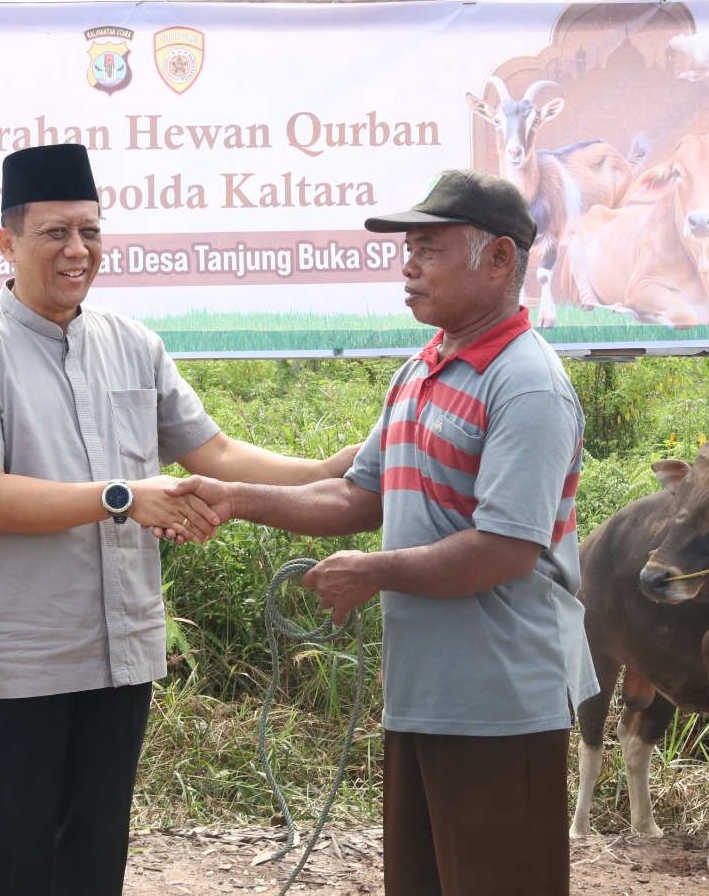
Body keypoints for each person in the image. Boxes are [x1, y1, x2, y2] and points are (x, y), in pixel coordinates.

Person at [0, 142, 357, 896]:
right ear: (6, 242)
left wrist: (321, 469)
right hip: (21, 657)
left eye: (90, 231)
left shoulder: (133, 344)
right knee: (8, 861)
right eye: (55, 232)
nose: (77, 249)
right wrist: (123, 496)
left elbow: (213, 450)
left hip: (121, 651)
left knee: (93, 860)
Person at [168, 169, 597, 896]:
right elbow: (358, 494)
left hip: (500, 705)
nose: (408, 267)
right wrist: (234, 498)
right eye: (408, 250)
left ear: (499, 259)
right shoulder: (421, 371)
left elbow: (506, 549)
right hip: (422, 697)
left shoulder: (526, 383)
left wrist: (373, 572)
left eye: (429, 248)